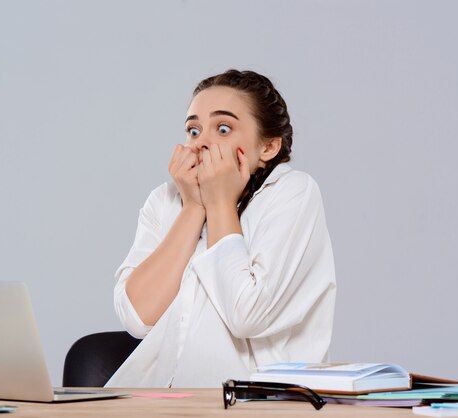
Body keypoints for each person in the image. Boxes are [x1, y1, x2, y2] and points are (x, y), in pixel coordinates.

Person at [106, 69, 336, 388]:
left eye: (223, 128)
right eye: (193, 130)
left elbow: (247, 314)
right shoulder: (165, 200)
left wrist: (219, 205)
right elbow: (137, 318)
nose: (202, 143)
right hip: (163, 401)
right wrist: (193, 207)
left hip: (260, 404)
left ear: (268, 147)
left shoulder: (292, 192)